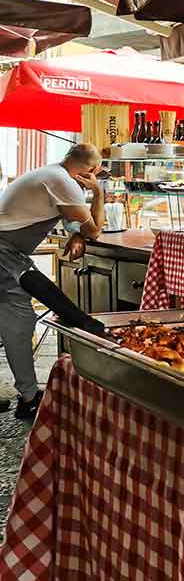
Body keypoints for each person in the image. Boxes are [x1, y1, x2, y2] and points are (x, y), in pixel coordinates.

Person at [0, 144, 105, 420]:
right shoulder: (61, 181)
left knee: (18, 323)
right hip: (5, 252)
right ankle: (83, 322)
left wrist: (77, 233)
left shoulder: (52, 175)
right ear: (92, 170)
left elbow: (75, 223)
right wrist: (98, 192)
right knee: (26, 287)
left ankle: (28, 396)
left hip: (9, 253)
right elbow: (95, 229)